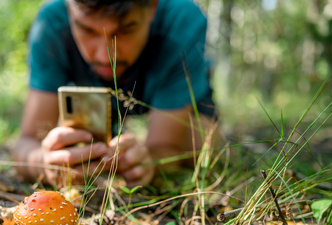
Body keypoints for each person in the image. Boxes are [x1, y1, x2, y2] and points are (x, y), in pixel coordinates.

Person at [13, 0, 218, 187]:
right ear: (68, 7)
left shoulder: (181, 22)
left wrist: (149, 163)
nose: (106, 56)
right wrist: (45, 162)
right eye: (87, 30)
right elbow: (27, 143)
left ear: (153, 7)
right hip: (93, 103)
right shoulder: (50, 24)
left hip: (172, 92)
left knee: (203, 144)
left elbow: (167, 146)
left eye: (125, 31)